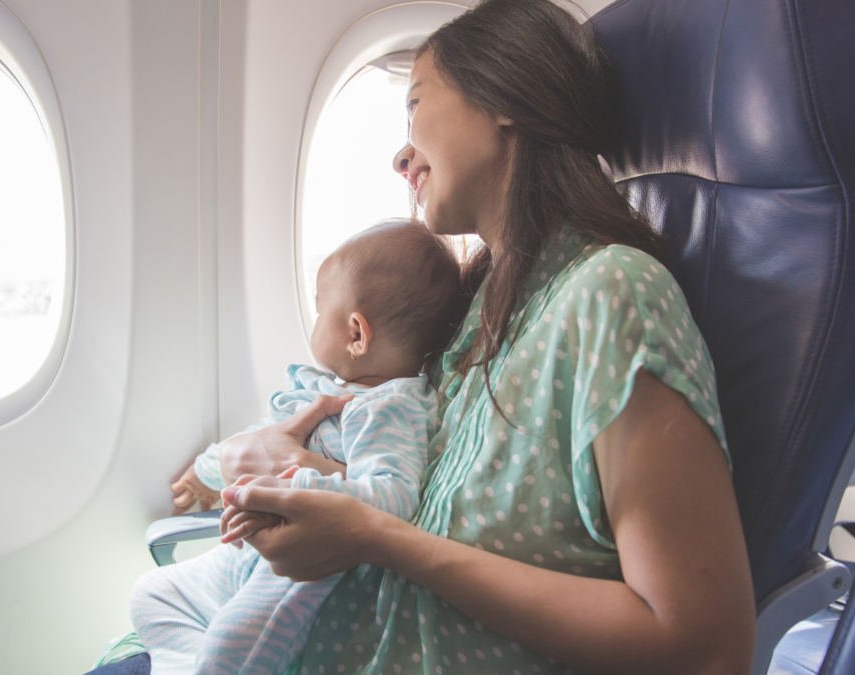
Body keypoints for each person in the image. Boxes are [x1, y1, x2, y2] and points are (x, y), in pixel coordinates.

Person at [174, 1, 757, 674]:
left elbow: (705, 646)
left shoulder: (613, 296)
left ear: (502, 98)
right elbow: (426, 500)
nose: (401, 153)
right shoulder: (479, 309)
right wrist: (305, 472)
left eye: (416, 102)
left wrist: (375, 537)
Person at [128, 220, 469, 674]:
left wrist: (301, 485)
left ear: (355, 334)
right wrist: (209, 472)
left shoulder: (391, 408)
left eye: (319, 309)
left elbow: (394, 495)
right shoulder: (330, 389)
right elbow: (268, 432)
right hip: (248, 555)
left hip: (299, 572)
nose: (313, 320)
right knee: (152, 593)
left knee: (224, 657)